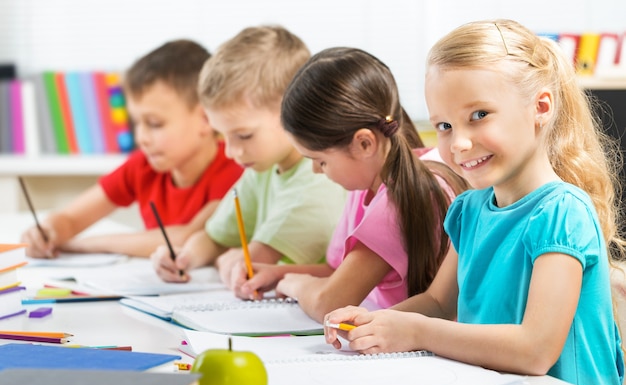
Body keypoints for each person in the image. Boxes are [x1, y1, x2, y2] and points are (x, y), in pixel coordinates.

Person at [325, 19, 625, 385]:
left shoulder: (562, 212)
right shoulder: (469, 210)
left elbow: (534, 350)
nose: (460, 142)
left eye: (480, 115)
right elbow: (437, 302)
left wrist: (415, 331)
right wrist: (377, 322)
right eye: (445, 125)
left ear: (541, 107)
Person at [226, 47, 468, 324]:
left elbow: (328, 303)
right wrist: (276, 272)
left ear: (364, 143)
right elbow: (338, 271)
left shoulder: (398, 199)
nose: (316, 170)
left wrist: (290, 283)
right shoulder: (371, 180)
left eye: (320, 160)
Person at [152, 26, 346, 283]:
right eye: (222, 136)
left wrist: (227, 260)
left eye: (244, 136)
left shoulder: (319, 180)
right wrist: (184, 257)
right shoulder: (263, 170)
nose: (232, 152)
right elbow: (213, 238)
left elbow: (249, 265)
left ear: (292, 109)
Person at [21, 40, 243, 259]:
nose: (141, 138)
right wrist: (46, 231)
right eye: (136, 123)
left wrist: (87, 244)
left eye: (155, 123)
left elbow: (186, 238)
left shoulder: (235, 167)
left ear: (205, 118)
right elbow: (70, 219)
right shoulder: (143, 166)